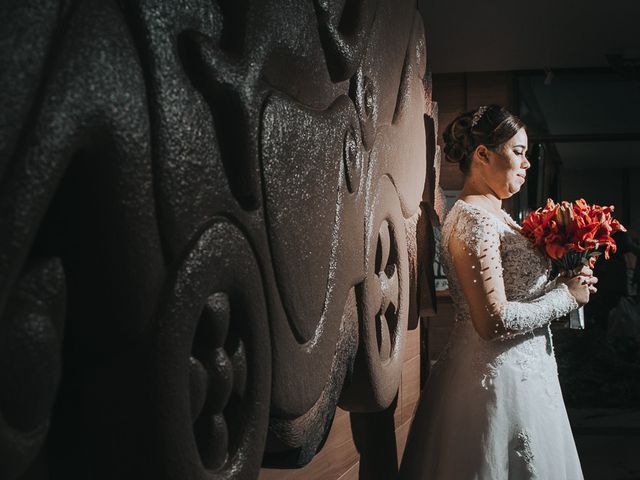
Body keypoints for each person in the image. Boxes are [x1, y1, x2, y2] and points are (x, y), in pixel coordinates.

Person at [398, 105, 597, 479]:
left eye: (527, 154)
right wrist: (565, 297)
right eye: (518, 152)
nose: (526, 164)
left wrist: (567, 281)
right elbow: (493, 321)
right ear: (483, 154)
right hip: (493, 382)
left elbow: (516, 294)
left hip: (527, 376)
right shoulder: (474, 218)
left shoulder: (499, 216)